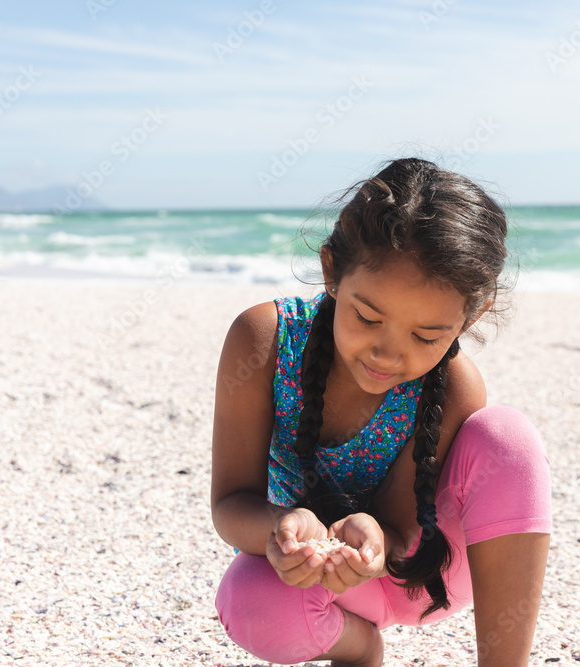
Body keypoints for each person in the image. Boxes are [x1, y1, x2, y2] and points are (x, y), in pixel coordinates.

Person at [211, 157, 552, 666]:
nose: (387, 355)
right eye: (367, 317)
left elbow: (400, 525)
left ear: (470, 317)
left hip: (422, 574)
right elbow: (230, 504)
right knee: (249, 598)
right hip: (314, 579)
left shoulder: (453, 386)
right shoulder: (264, 342)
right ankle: (357, 646)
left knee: (507, 434)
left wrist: (376, 538)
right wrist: (280, 528)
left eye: (426, 336)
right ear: (331, 271)